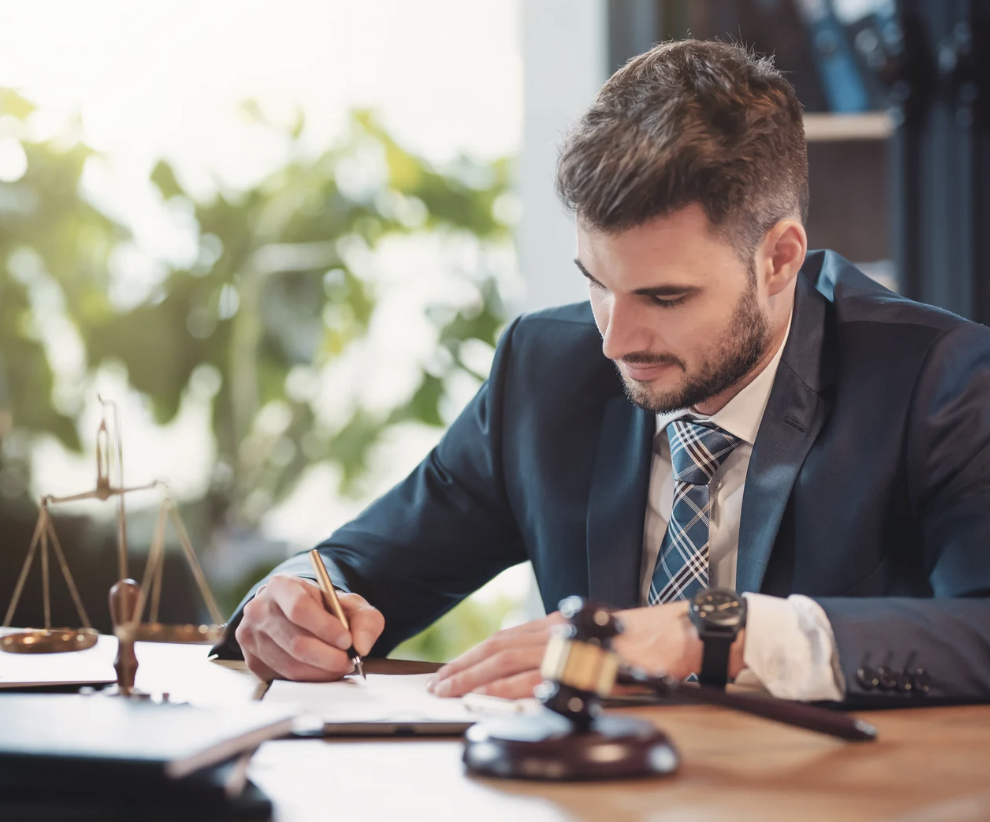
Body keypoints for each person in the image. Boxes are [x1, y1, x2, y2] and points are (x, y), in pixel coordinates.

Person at [213, 40, 990, 705]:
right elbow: (357, 569)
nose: (616, 339)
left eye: (665, 295)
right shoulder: (545, 371)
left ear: (780, 257)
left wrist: (711, 633)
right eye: (595, 282)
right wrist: (291, 603)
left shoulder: (939, 381)